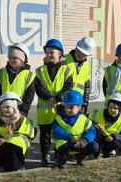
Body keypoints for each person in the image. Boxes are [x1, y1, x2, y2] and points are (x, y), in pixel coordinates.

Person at [34, 39, 73, 167]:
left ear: (60, 53)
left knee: (59, 135)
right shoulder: (39, 70)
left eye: (52, 52)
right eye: (47, 52)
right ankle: (45, 156)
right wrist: (50, 98)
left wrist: (57, 99)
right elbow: (38, 88)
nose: (49, 55)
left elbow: (68, 87)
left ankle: (58, 156)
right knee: (45, 136)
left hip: (60, 110)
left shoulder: (67, 70)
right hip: (44, 111)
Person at [0, 92, 37, 172]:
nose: (5, 109)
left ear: (15, 108)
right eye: (3, 107)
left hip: (17, 147)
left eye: (8, 107)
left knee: (12, 146)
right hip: (3, 146)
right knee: (3, 149)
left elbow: (33, 134)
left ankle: (18, 166)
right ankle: (5, 162)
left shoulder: (24, 120)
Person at [52, 90, 98, 169]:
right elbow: (56, 132)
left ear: (79, 108)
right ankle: (61, 162)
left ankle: (81, 157)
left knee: (94, 146)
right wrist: (70, 138)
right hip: (65, 144)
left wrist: (84, 141)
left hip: (80, 144)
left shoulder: (83, 119)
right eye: (66, 107)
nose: (68, 110)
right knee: (63, 146)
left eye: (71, 107)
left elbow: (92, 131)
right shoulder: (59, 118)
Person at [0, 44, 36, 116]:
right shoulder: (1, 73)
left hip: (19, 113)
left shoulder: (29, 76)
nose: (11, 60)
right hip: (3, 111)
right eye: (9, 57)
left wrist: (24, 110)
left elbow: (29, 96)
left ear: (22, 59)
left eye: (15, 58)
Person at [89, 92, 121, 158]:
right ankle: (96, 154)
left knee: (116, 143)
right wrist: (94, 125)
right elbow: (85, 121)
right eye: (110, 107)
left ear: (120, 109)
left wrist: (113, 137)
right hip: (97, 139)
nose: (112, 110)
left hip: (109, 141)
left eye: (115, 108)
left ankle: (106, 154)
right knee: (98, 130)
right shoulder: (97, 113)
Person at [66, 37, 96, 113]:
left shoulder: (86, 67)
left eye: (84, 54)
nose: (81, 55)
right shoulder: (64, 60)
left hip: (77, 105)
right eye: (80, 51)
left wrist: (85, 105)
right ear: (76, 47)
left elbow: (86, 87)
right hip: (65, 103)